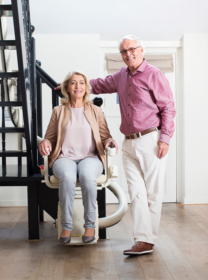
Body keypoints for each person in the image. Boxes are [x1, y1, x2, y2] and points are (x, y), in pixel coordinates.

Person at [55, 35, 176, 254]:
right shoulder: (121, 76)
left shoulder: (154, 75)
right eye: (123, 51)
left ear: (141, 50)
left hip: (151, 139)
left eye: (132, 49)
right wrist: (72, 86)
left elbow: (168, 108)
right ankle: (142, 239)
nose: (128, 53)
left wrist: (165, 139)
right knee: (136, 193)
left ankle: (148, 239)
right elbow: (99, 84)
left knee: (153, 193)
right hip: (128, 143)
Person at [39, 70, 117, 244]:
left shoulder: (95, 110)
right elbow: (49, 137)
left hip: (90, 157)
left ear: (86, 87)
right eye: (73, 82)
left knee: (87, 176)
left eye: (81, 82)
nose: (78, 86)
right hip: (64, 158)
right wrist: (44, 142)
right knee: (67, 176)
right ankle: (65, 226)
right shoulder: (58, 111)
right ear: (67, 87)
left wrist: (110, 141)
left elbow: (105, 136)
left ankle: (90, 225)